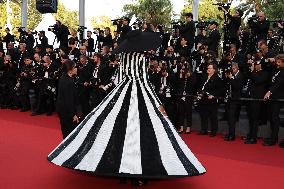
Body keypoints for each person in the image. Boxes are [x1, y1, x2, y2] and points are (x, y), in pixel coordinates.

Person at [47, 30, 206, 185]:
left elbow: (120, 78)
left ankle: (122, 172)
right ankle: (139, 173)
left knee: (120, 130)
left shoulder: (123, 56)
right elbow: (144, 80)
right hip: (141, 93)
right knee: (142, 133)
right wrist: (156, 101)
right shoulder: (143, 59)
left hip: (122, 92)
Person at [263, 54, 284, 147]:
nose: (277, 64)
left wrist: (269, 92)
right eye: (276, 62)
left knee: (275, 118)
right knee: (271, 117)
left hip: (277, 98)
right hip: (272, 97)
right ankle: (272, 137)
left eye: (279, 62)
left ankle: (274, 139)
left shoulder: (283, 72)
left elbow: (278, 84)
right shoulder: (276, 70)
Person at [56, 59, 80, 139]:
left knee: (66, 132)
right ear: (70, 70)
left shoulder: (63, 77)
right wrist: (73, 114)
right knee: (70, 135)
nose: (76, 69)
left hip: (63, 111)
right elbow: (69, 100)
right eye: (75, 67)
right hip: (67, 113)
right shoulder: (68, 82)